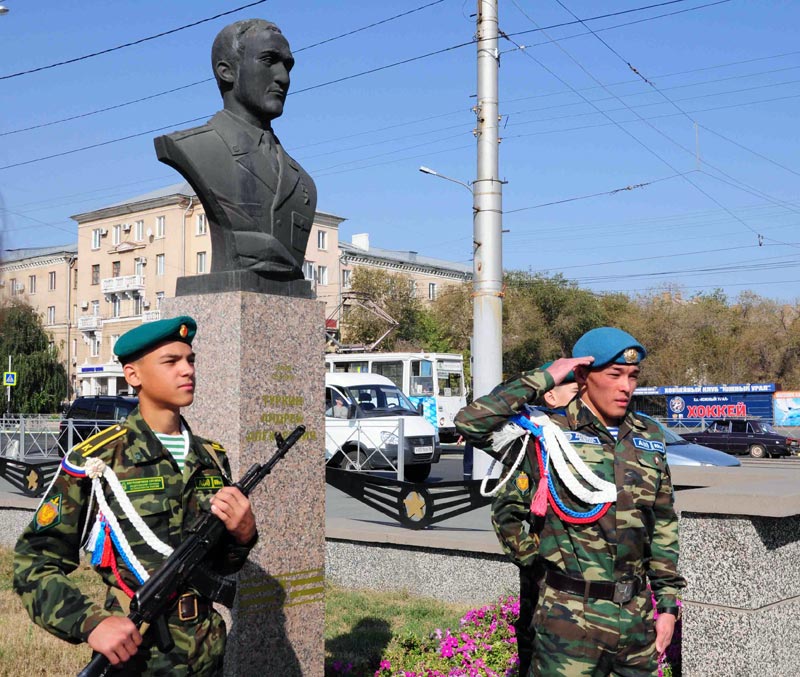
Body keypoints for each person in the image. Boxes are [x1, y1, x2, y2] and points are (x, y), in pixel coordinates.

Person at [14, 316, 257, 675]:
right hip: (138, 658)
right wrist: (90, 622)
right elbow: (33, 561)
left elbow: (218, 564)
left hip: (206, 656)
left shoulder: (210, 457)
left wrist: (243, 535)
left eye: (190, 360)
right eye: (171, 361)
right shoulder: (98, 460)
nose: (187, 370)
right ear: (133, 376)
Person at [456, 327, 685, 677]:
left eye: (633, 376)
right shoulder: (545, 433)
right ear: (582, 376)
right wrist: (547, 375)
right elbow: (471, 422)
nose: (627, 386)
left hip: (635, 618)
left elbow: (663, 523)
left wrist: (667, 605)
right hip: (570, 620)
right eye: (614, 375)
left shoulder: (648, 436)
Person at [154, 19, 317, 279]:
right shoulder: (194, 148)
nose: (283, 77)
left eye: (287, 65)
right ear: (226, 71)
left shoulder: (303, 183)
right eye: (269, 60)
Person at [489, 364, 579, 677]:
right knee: (538, 646)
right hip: (547, 580)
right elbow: (506, 513)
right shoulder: (534, 442)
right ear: (551, 396)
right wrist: (534, 561)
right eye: (575, 392)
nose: (582, 400)